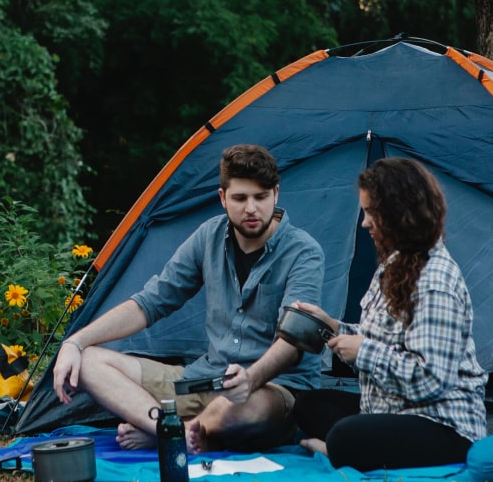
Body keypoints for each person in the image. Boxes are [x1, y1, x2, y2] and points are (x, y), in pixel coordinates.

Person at [52, 144, 325, 453]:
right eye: (240, 198)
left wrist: (250, 379)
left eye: (261, 197)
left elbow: (292, 343)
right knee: (88, 362)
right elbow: (151, 302)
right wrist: (75, 342)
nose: (251, 208)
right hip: (206, 379)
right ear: (222, 198)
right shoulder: (208, 236)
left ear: (276, 194)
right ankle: (178, 433)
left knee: (249, 409)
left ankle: (167, 432)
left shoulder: (304, 252)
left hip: (270, 389)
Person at [292, 157, 487, 471]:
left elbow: (430, 380)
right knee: (307, 405)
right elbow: (380, 335)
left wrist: (364, 352)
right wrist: (331, 326)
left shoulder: (435, 280)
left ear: (399, 214)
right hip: (393, 408)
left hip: (443, 425)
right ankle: (357, 444)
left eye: (371, 213)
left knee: (344, 436)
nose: (364, 223)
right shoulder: (396, 264)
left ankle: (338, 449)